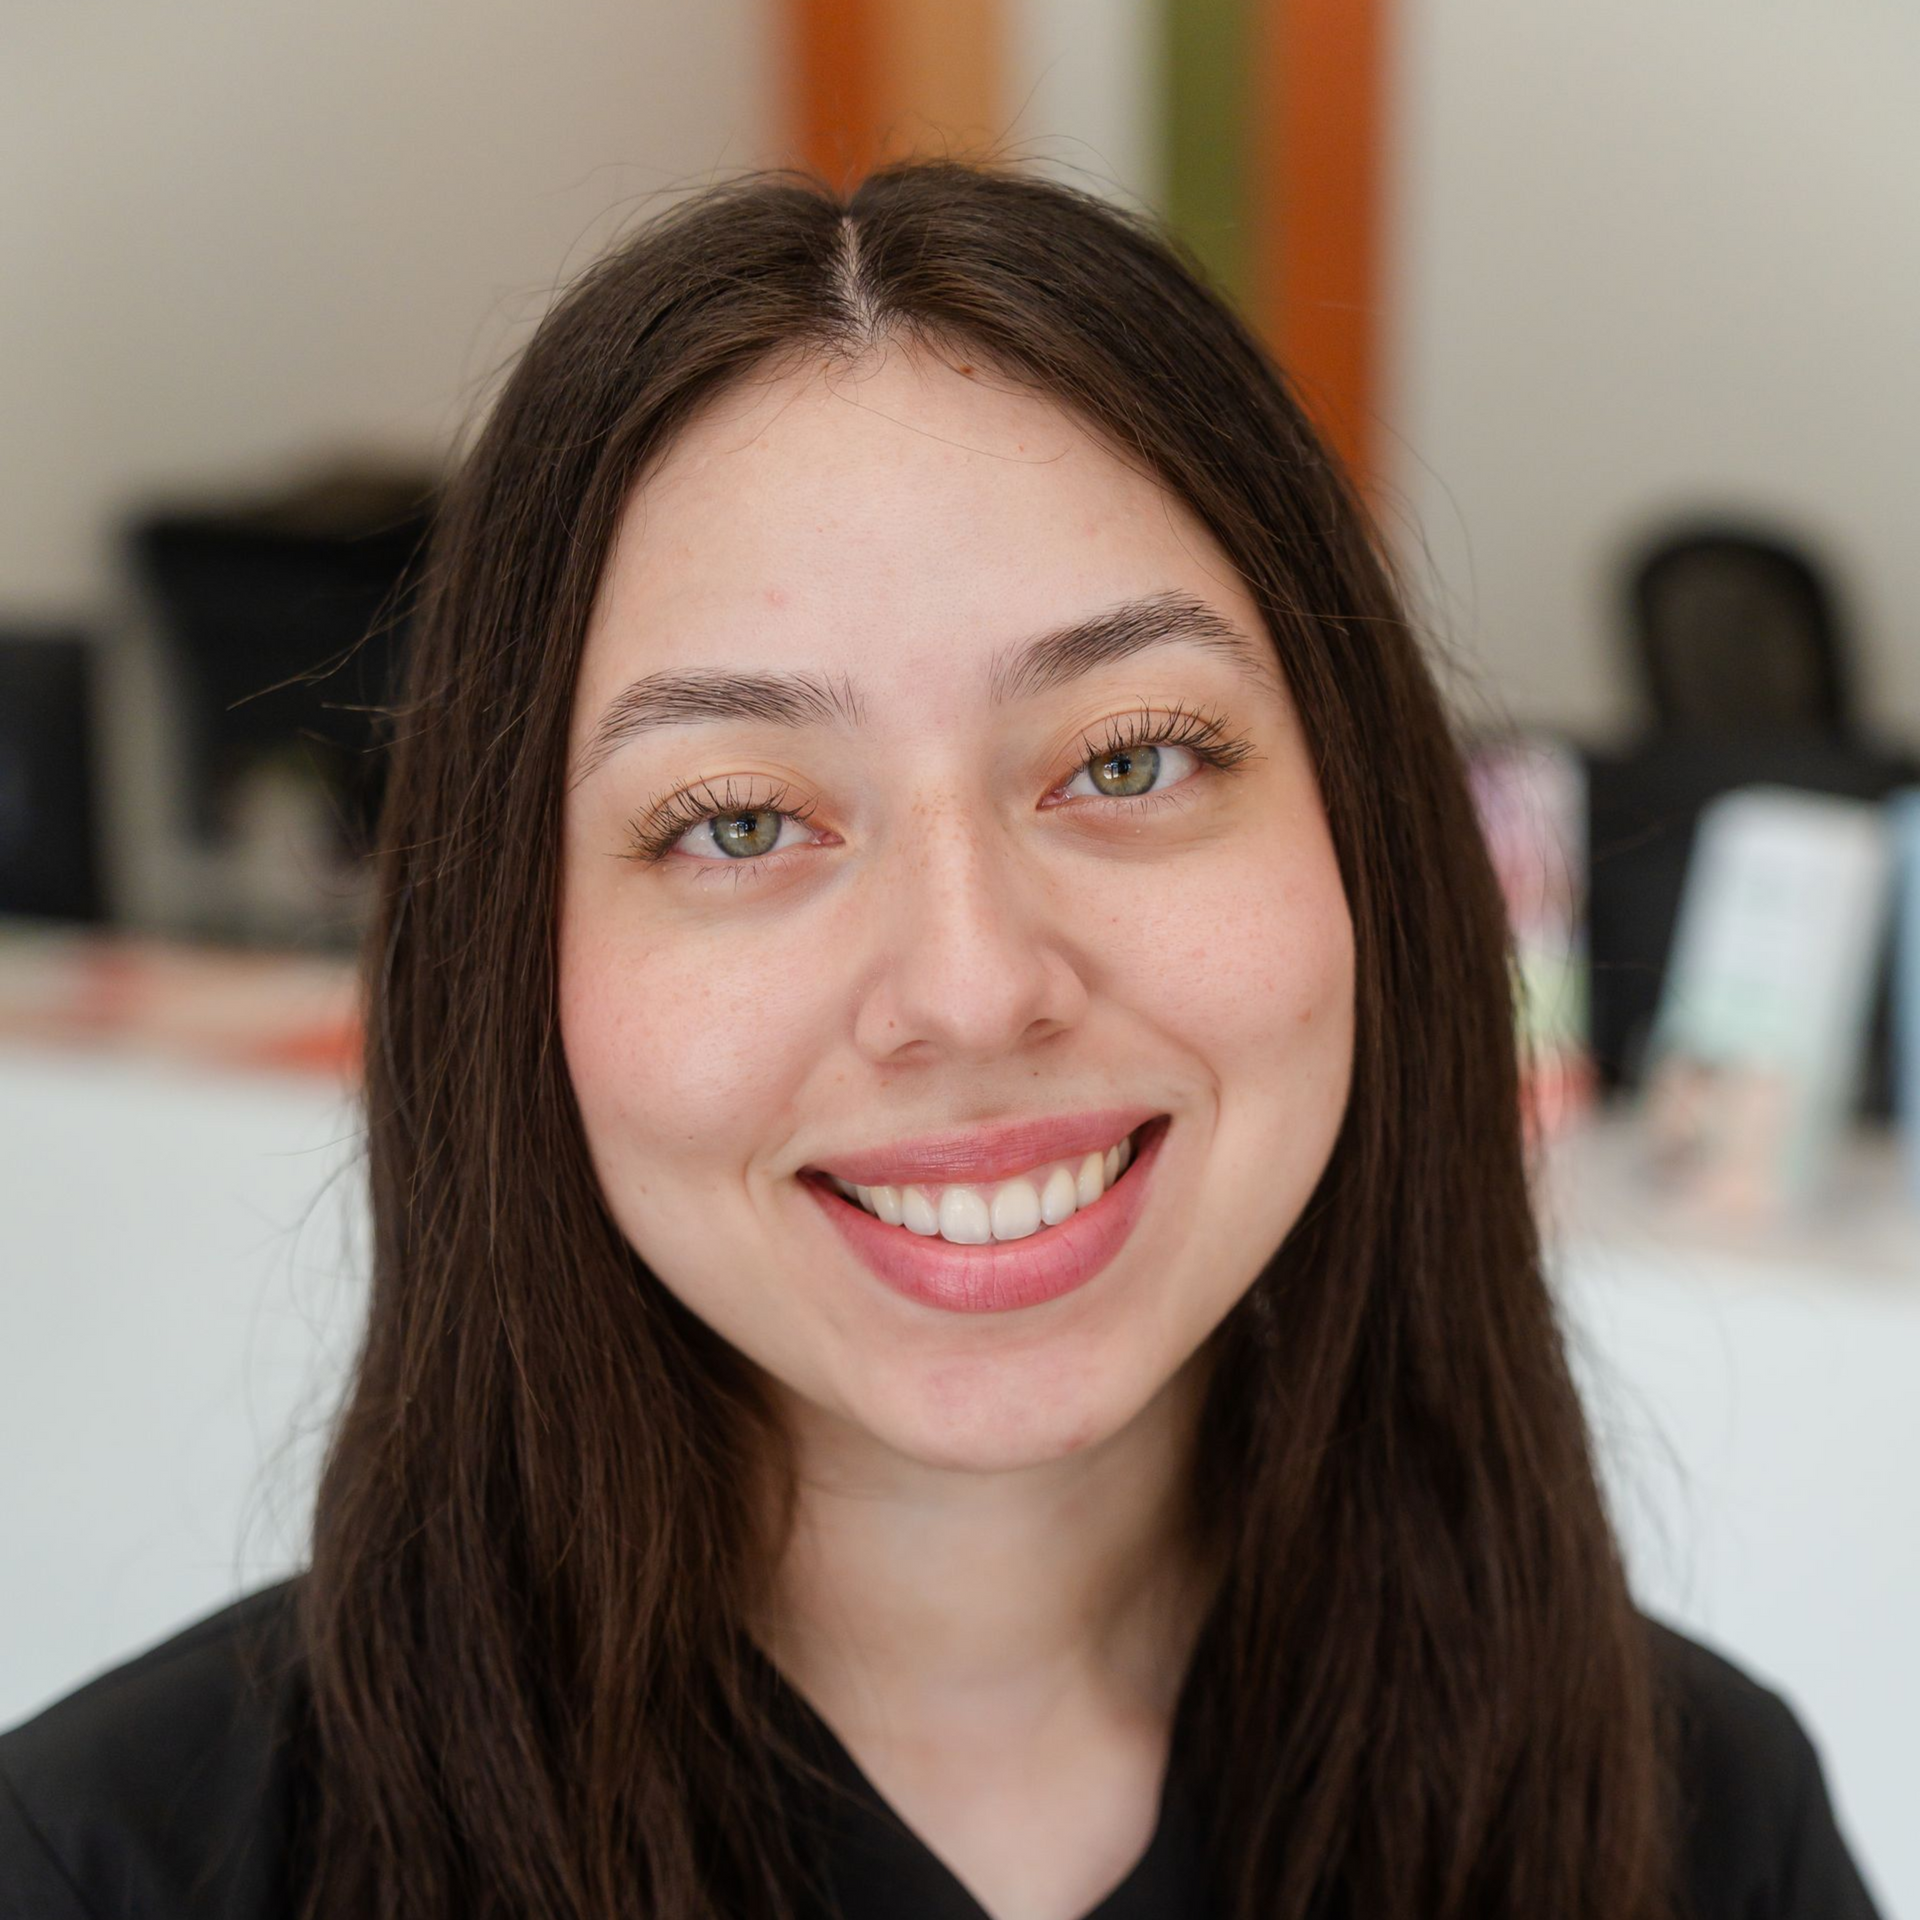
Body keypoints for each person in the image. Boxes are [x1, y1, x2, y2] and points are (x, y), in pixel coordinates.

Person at [0, 161, 1884, 1920]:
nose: (974, 989)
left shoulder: (1695, 1818)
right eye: (738, 821)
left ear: (1374, 852)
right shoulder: (106, 1867)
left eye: (1132, 760)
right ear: (507, 964)